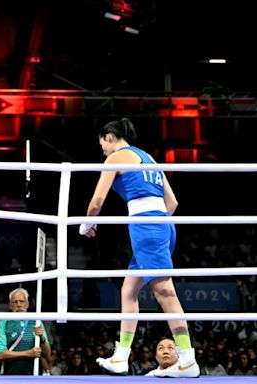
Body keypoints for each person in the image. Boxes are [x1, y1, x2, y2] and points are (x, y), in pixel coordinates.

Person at [79, 117, 200, 378]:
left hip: (147, 227)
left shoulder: (115, 158)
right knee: (129, 289)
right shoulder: (150, 159)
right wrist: (156, 227)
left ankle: (188, 360)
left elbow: (97, 200)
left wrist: (86, 224)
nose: (103, 152)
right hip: (162, 226)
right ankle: (121, 357)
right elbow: (173, 202)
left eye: (103, 146)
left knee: (164, 291)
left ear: (109, 137)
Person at [0, 288, 51, 375]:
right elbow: (0, 355)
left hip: (34, 377)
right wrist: (28, 353)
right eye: (15, 302)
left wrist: (41, 338)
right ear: (10, 305)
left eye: (22, 301)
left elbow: (47, 355)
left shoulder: (37, 322)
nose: (19, 305)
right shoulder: (3, 323)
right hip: (10, 377)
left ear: (27, 304)